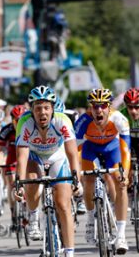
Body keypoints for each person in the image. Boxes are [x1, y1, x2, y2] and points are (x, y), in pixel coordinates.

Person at [15, 85, 81, 257]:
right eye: (38, 108)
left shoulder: (62, 120)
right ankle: (33, 216)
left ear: (52, 108)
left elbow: (72, 152)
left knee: (63, 204)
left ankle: (69, 252)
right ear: (32, 110)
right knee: (31, 184)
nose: (42, 112)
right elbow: (22, 156)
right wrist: (18, 184)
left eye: (46, 108)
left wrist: (76, 178)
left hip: (57, 157)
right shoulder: (25, 122)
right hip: (34, 157)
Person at [74, 88, 130, 254]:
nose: (99, 110)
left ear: (109, 107)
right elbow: (74, 150)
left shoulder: (118, 118)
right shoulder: (83, 121)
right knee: (88, 180)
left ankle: (121, 235)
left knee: (121, 184)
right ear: (90, 107)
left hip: (112, 148)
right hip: (89, 149)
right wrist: (76, 175)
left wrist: (125, 174)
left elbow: (125, 149)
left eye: (103, 106)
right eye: (95, 106)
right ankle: (91, 219)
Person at [0, 104, 26, 229]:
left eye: (21, 120)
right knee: (12, 184)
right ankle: (14, 212)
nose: (19, 123)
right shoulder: (6, 130)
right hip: (12, 158)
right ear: (12, 120)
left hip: (27, 157)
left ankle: (27, 211)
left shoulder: (30, 127)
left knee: (28, 183)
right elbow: (1, 150)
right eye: (16, 120)